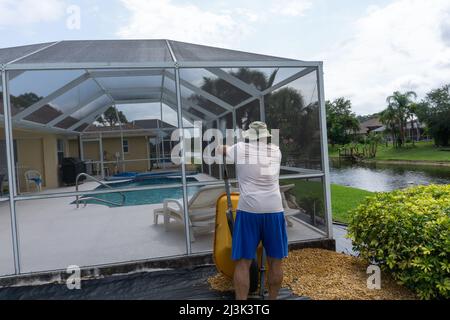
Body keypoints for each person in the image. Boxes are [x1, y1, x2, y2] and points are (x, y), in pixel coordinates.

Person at [219, 121, 288, 300]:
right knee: (275, 261)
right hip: (274, 210)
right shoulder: (276, 151)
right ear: (266, 136)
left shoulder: (240, 149)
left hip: (249, 211)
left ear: (249, 135)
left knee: (243, 262)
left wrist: (221, 146)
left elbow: (222, 149)